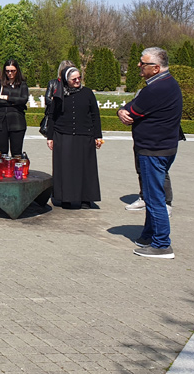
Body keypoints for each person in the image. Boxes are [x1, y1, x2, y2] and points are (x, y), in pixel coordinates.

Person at [117, 47, 184, 259]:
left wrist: (123, 111)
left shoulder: (157, 89)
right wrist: (122, 110)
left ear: (155, 68)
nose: (139, 65)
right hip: (162, 147)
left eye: (143, 63)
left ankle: (162, 244)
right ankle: (149, 235)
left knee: (154, 198)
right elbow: (132, 105)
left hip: (154, 149)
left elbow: (133, 110)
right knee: (151, 194)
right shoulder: (164, 83)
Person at [46, 66, 103, 208]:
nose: (77, 81)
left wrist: (98, 135)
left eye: (79, 78)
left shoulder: (88, 93)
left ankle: (85, 198)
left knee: (85, 168)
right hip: (63, 135)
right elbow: (52, 116)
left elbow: (95, 115)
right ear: (66, 80)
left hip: (84, 135)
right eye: (74, 79)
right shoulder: (59, 94)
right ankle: (65, 198)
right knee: (65, 168)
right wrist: (50, 137)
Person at [0, 59, 30, 156]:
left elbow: (23, 100)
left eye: (13, 71)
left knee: (16, 153)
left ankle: (15, 171)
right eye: (7, 71)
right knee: (2, 153)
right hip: (1, 121)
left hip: (17, 122)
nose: (10, 73)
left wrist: (7, 98)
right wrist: (13, 102)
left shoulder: (22, 84)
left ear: (17, 71)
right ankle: (3, 171)